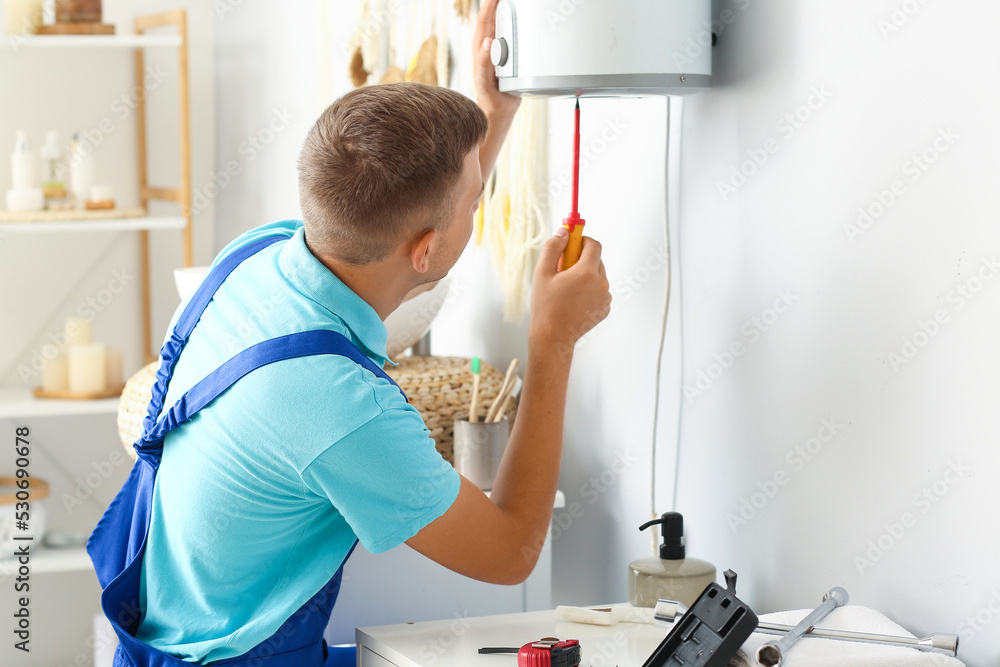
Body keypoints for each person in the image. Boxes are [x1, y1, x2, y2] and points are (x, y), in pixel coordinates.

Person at [87, 1, 611, 665]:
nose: (479, 199)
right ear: (424, 251)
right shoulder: (338, 406)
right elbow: (511, 552)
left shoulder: (261, 256)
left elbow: (405, 217)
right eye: (475, 198)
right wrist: (552, 341)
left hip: (161, 624)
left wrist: (491, 111)